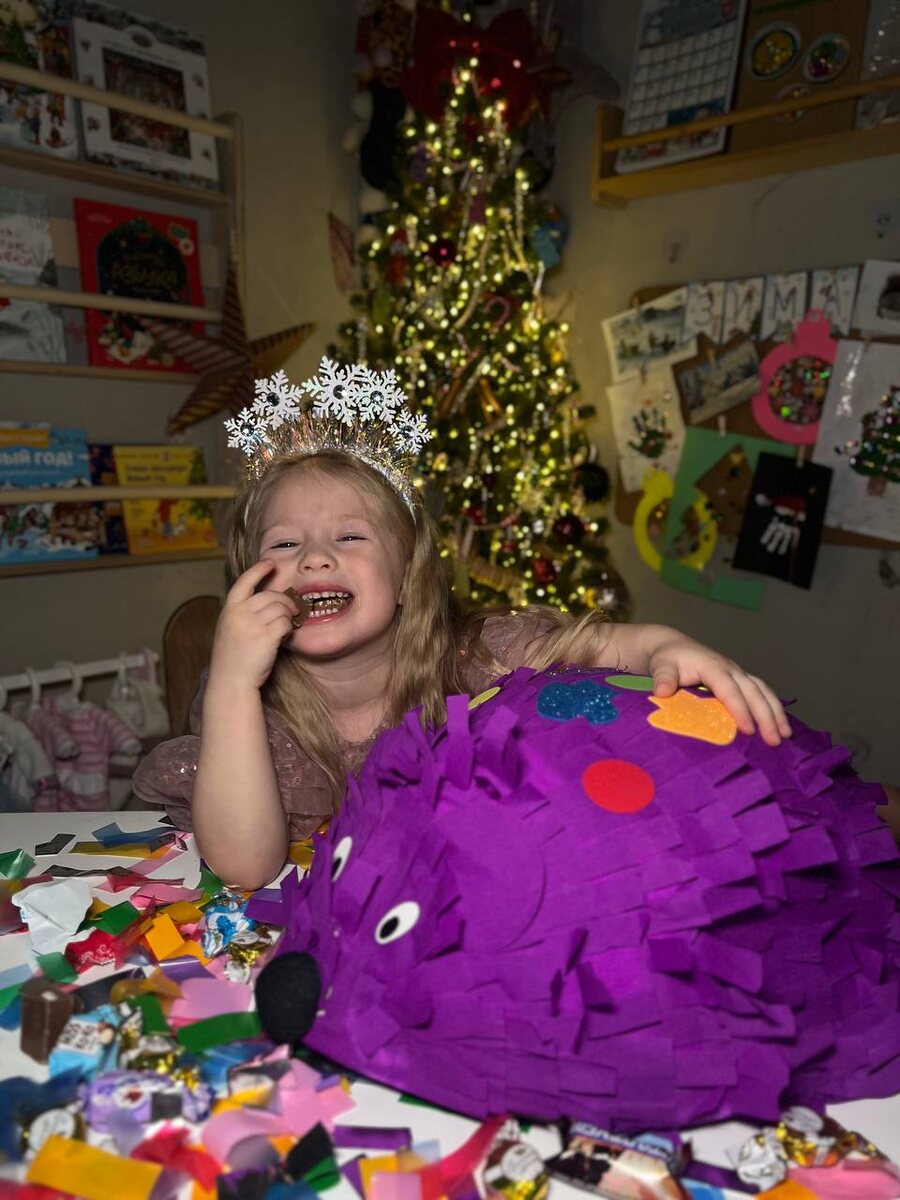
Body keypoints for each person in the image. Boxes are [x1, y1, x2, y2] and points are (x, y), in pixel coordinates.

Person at [133, 360, 791, 890]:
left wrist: (669, 645)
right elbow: (245, 869)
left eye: (350, 535)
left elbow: (611, 645)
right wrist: (232, 686)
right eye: (284, 544)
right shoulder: (250, 709)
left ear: (407, 574)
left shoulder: (481, 656)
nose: (314, 557)